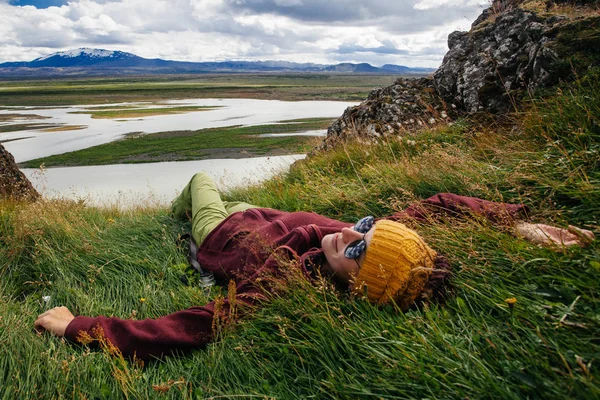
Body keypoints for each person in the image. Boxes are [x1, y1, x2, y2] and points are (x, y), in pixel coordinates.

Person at [34, 172, 594, 360]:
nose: (347, 233)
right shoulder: (360, 245)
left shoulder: (289, 283)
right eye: (368, 227)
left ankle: (180, 213)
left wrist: (76, 326)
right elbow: (439, 204)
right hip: (261, 209)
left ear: (356, 285)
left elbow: (194, 327)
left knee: (199, 183)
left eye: (357, 251)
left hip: (221, 226)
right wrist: (516, 220)